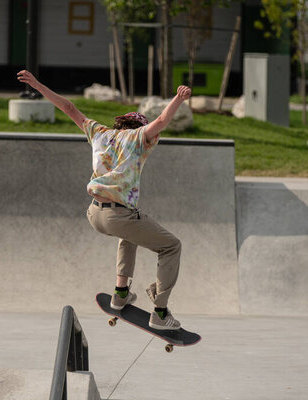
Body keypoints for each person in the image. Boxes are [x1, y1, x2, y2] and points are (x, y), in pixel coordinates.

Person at [17, 70, 191, 330]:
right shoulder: (138, 138)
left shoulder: (99, 133)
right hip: (117, 215)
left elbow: (68, 107)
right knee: (172, 247)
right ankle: (161, 313)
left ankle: (120, 294)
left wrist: (37, 84)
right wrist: (179, 98)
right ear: (140, 130)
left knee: (130, 228)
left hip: (94, 214)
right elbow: (163, 120)